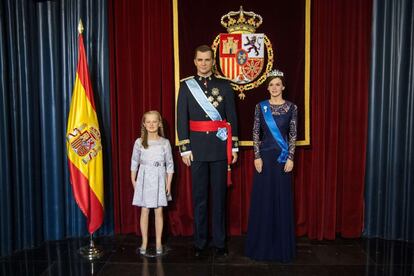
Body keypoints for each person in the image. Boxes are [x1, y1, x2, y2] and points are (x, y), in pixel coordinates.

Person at [177, 45, 239, 257]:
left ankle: (220, 242)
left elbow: (232, 117)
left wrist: (234, 147)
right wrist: (185, 148)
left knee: (219, 198)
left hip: (220, 149)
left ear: (213, 61)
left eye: (207, 60)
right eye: (200, 60)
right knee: (200, 198)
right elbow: (181, 118)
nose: (204, 64)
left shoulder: (224, 86)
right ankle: (200, 242)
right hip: (197, 150)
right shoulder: (186, 87)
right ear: (194, 62)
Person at [245, 69, 297, 262]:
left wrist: (291, 157)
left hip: (283, 160)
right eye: (271, 84)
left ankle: (280, 246)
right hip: (265, 160)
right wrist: (256, 156)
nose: (275, 88)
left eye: (278, 84)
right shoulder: (261, 107)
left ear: (283, 86)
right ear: (267, 88)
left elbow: (292, 135)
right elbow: (255, 133)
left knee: (281, 200)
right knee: (264, 199)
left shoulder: (292, 108)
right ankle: (262, 245)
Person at [131, 110, 174, 256]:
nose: (151, 124)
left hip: (159, 178)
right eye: (148, 122)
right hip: (144, 178)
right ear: (144, 124)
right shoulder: (139, 142)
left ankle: (158, 242)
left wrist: (168, 184)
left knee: (159, 211)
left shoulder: (165, 143)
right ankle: (144, 241)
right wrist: (133, 179)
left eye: (154, 121)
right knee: (144, 210)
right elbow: (134, 162)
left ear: (159, 123)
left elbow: (170, 165)